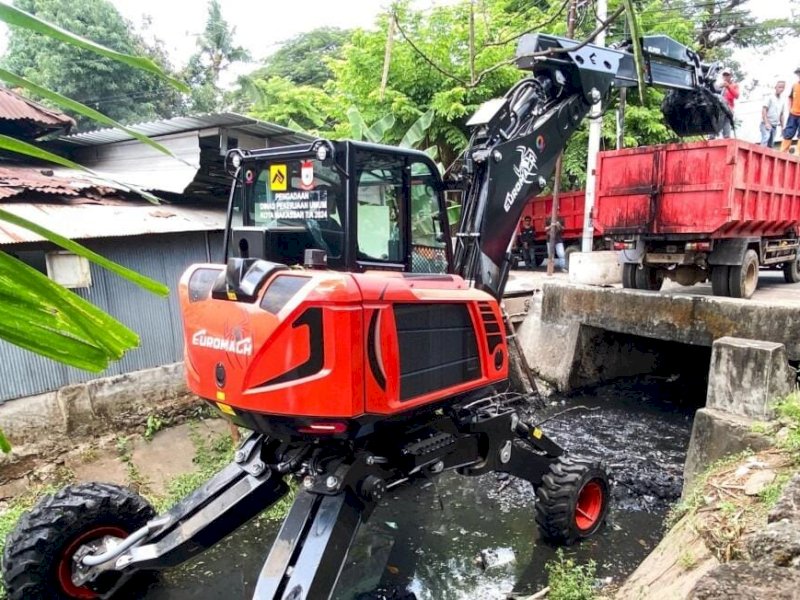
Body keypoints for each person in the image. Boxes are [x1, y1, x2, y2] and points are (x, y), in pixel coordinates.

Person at [760, 80, 786, 147]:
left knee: (771, 144)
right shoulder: (770, 97)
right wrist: (766, 123)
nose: (781, 89)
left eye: (783, 87)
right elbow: (764, 110)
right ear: (775, 87)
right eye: (779, 87)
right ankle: (760, 152)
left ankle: (766, 154)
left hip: (774, 126)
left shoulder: (782, 100)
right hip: (766, 124)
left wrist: (782, 127)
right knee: (766, 137)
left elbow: (781, 114)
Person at [716, 68, 739, 139]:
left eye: (727, 75)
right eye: (724, 75)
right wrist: (720, 86)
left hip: (728, 108)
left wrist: (728, 86)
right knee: (716, 120)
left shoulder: (734, 85)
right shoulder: (719, 85)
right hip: (719, 109)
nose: (726, 77)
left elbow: (737, 95)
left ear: (730, 76)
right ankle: (712, 136)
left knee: (726, 123)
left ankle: (727, 137)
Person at [780, 68, 800, 152]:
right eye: (798, 74)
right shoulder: (794, 86)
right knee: (788, 132)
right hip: (793, 114)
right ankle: (782, 153)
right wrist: (790, 109)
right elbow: (790, 97)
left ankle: (798, 154)